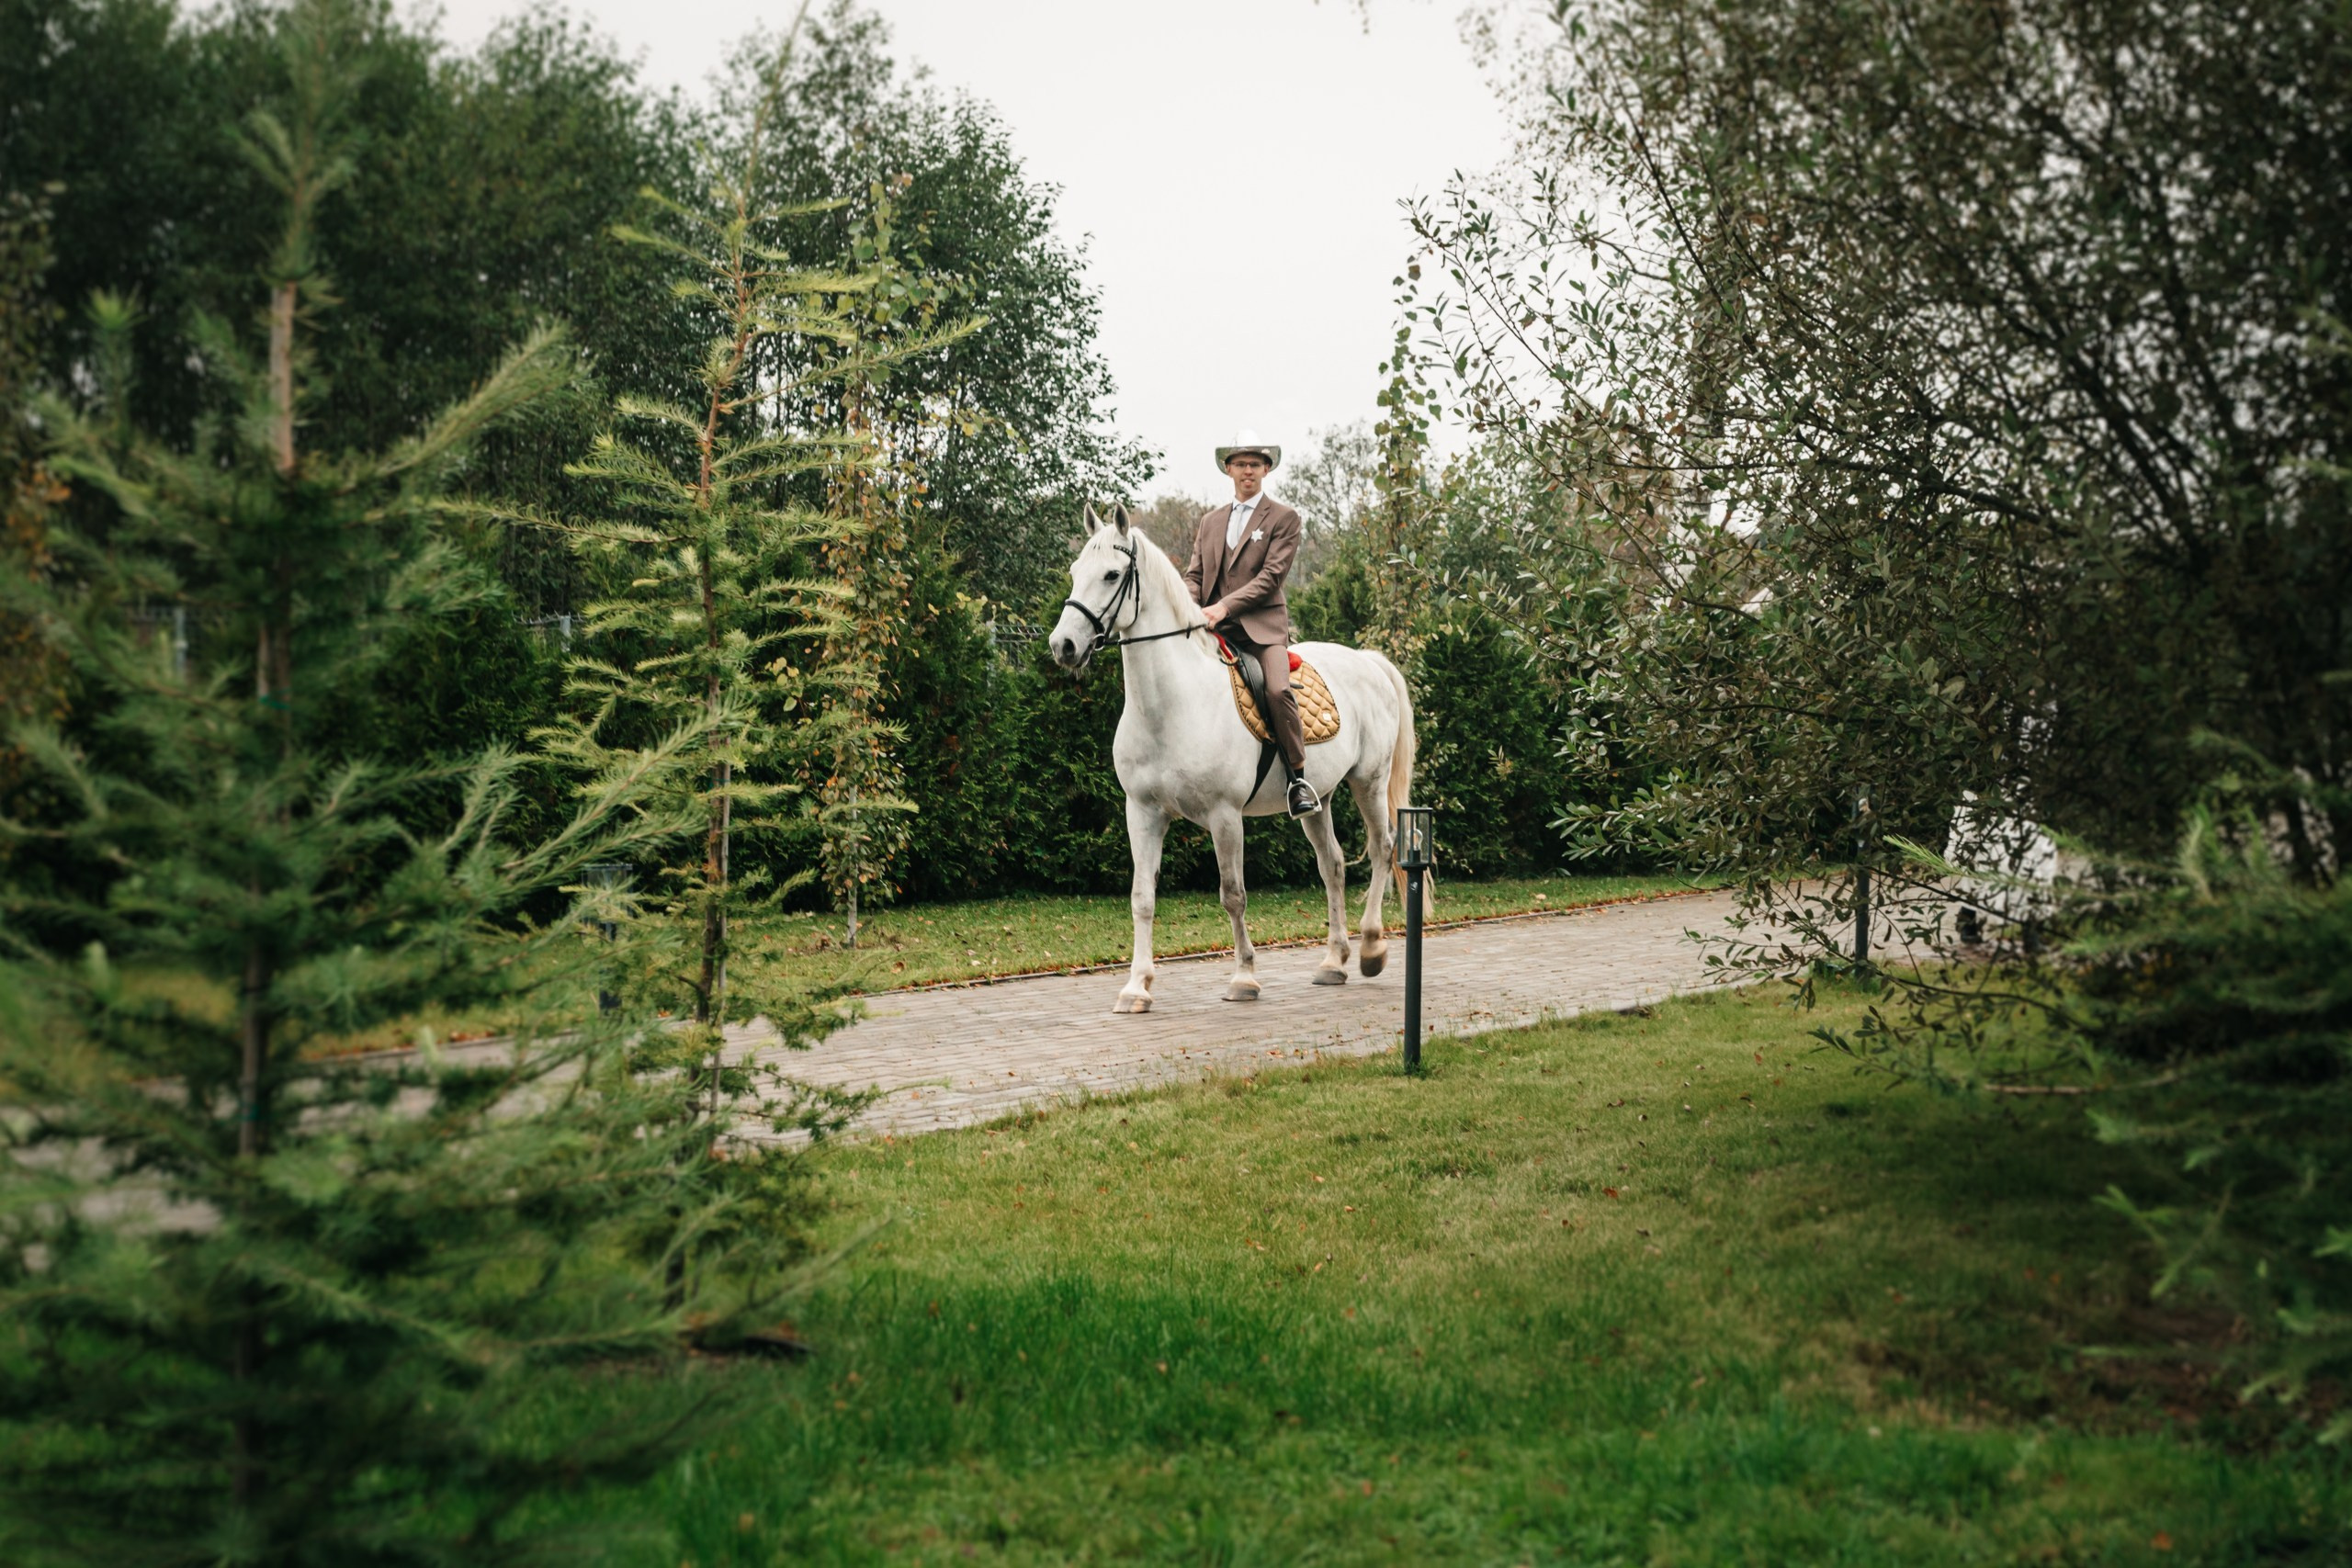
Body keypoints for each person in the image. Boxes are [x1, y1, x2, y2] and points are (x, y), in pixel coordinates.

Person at [1183, 432, 1317, 817]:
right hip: (1213, 629)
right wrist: (1188, 607)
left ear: (1267, 469)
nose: (1248, 471)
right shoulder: (1209, 522)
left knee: (1276, 690)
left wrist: (1222, 607)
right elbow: (1195, 576)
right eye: (1241, 464)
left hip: (1261, 632)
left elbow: (1270, 578)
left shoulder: (1284, 518)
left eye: (1255, 465)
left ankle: (1298, 780)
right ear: (1228, 469)